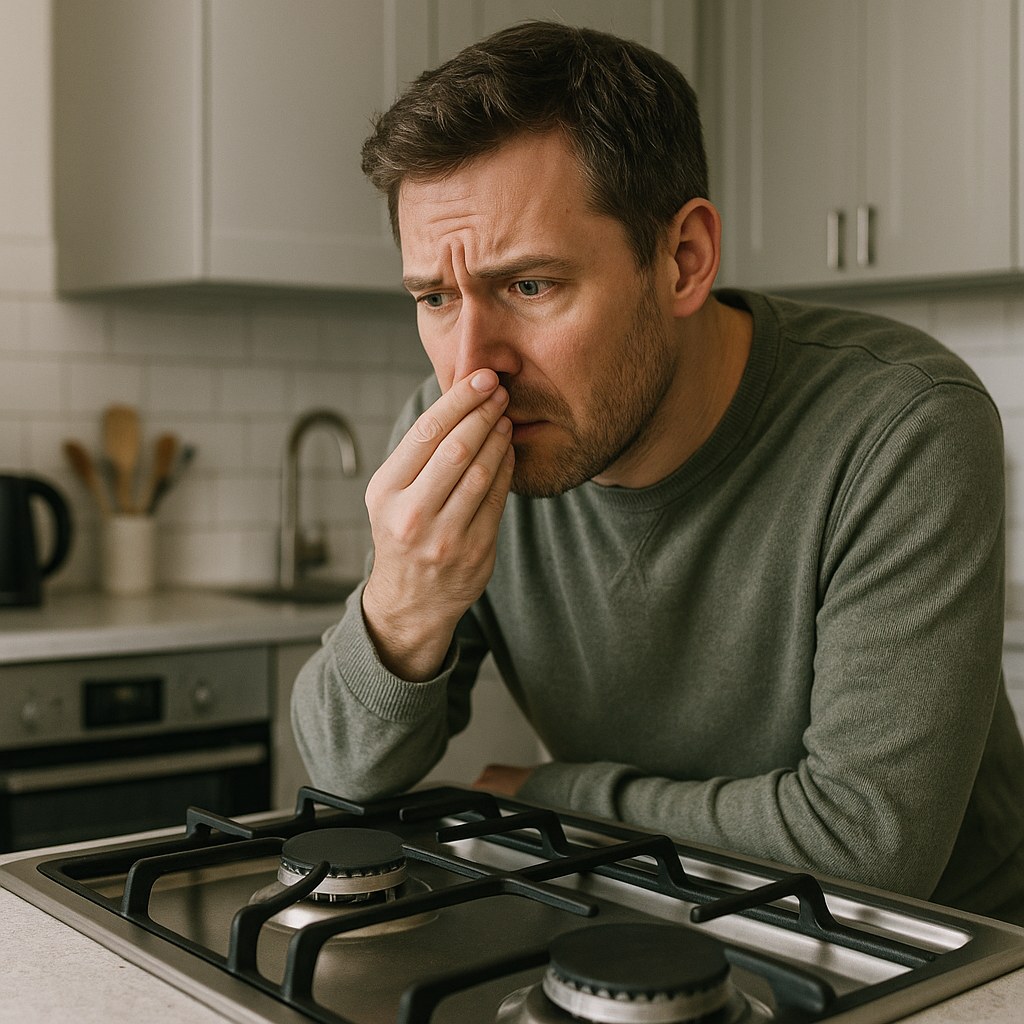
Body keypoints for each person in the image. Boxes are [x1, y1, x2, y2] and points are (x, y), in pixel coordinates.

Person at [291, 21, 1024, 922]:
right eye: (436, 298)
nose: (472, 367)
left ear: (683, 260)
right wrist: (405, 604)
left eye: (529, 286)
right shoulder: (468, 433)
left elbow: (866, 847)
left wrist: (544, 796)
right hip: (634, 917)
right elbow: (340, 777)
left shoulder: (903, 424)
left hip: (937, 959)